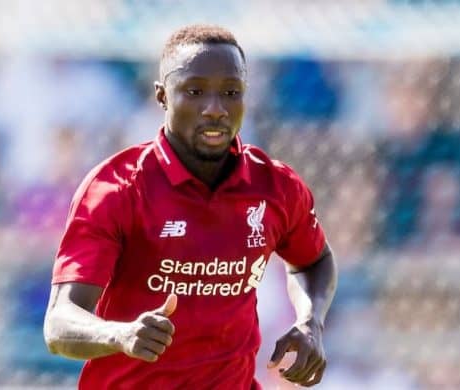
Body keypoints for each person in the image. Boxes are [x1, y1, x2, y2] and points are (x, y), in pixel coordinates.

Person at [43, 24, 337, 389]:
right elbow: (60, 324)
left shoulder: (274, 186)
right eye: (195, 91)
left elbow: (314, 260)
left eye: (231, 92)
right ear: (162, 96)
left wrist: (310, 321)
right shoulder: (116, 189)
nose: (215, 109)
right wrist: (121, 335)